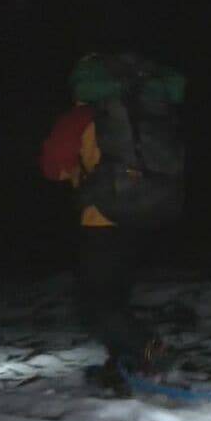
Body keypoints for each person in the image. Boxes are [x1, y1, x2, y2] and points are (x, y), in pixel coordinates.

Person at [41, 53, 185, 394]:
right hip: (146, 215)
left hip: (103, 218)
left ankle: (153, 350)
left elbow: (53, 167)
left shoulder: (82, 116)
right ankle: (125, 362)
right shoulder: (145, 112)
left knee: (95, 304)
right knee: (115, 297)